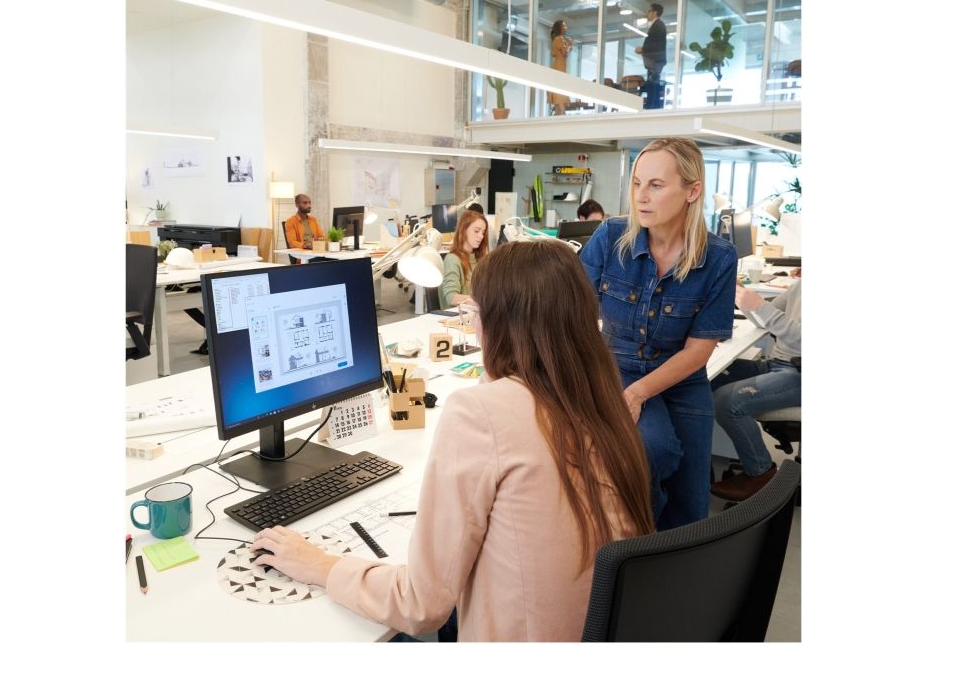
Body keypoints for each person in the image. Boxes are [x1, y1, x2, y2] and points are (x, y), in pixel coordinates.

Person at [251, 241, 655, 641]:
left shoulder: (481, 413)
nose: (472, 325)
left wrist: (321, 566)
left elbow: (420, 605)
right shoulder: (602, 402)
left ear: (499, 323)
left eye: (474, 313)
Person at [580, 137, 737, 530]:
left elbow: (698, 351)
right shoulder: (610, 237)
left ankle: (667, 551)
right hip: (618, 366)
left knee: (690, 507)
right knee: (653, 450)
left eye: (656, 185)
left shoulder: (718, 258)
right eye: (637, 183)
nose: (641, 196)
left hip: (681, 377)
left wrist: (637, 395)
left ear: (692, 191)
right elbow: (570, 309)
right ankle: (635, 542)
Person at [710, 278, 801, 501]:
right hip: (777, 364)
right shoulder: (801, 285)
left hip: (800, 373)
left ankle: (761, 473)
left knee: (726, 401)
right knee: (706, 379)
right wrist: (742, 297)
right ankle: (699, 460)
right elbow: (763, 321)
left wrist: (760, 306)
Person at [438, 210, 488, 309]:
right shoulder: (452, 259)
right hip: (458, 315)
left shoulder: (479, 259)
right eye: (476, 231)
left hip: (475, 313)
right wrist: (482, 301)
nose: (481, 236)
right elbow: (451, 298)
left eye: (483, 232)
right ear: (464, 230)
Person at [635, 3, 667, 84]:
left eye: (649, 11)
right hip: (654, 62)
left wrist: (643, 49)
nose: (647, 13)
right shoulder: (657, 25)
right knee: (652, 84)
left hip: (655, 62)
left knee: (652, 85)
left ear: (655, 12)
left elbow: (657, 44)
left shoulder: (658, 25)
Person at [546, 19, 573, 116]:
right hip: (559, 69)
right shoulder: (559, 39)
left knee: (560, 108)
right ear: (560, 28)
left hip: (559, 68)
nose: (566, 28)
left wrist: (568, 45)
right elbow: (565, 53)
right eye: (564, 26)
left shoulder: (559, 39)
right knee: (561, 107)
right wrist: (570, 45)